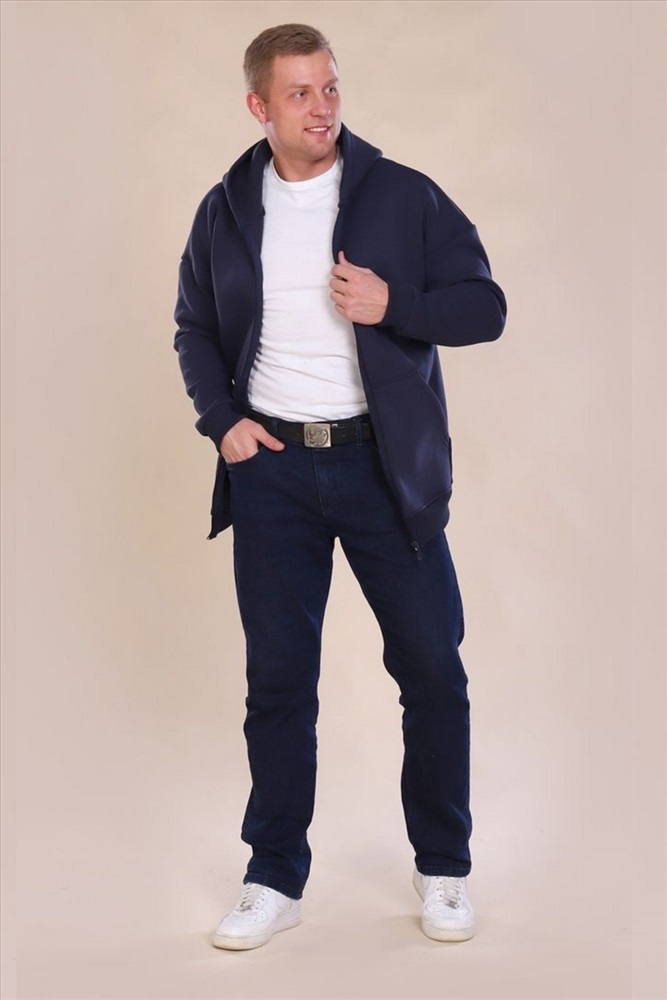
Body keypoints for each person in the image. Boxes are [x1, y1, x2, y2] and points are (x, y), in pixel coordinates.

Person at [173, 23, 507, 951]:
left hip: (380, 468)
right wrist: (222, 420)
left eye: (329, 88)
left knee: (432, 668)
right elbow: (193, 325)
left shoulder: (401, 194)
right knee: (278, 680)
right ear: (259, 106)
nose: (321, 108)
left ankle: (442, 867)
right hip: (271, 471)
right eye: (299, 93)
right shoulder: (226, 208)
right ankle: (273, 875)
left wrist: (395, 306)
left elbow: (485, 306)